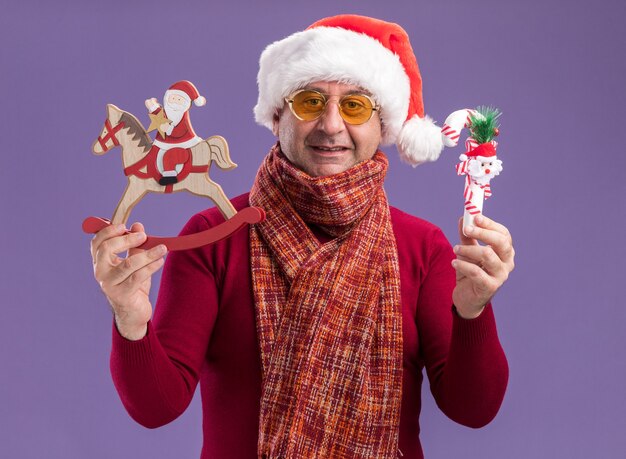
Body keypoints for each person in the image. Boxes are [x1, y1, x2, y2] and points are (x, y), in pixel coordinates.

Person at [90, 15, 514, 459]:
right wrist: (131, 320)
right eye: (310, 102)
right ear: (277, 117)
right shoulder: (213, 235)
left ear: (383, 126)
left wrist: (473, 313)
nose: (331, 125)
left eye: (355, 106)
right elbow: (156, 407)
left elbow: (473, 409)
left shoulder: (422, 247)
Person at [145, 80, 207, 185]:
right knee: (151, 153)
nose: (174, 102)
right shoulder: (167, 112)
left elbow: (180, 131)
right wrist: (152, 106)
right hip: (162, 141)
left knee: (170, 156)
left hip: (182, 142)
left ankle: (170, 176)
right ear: (167, 98)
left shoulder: (182, 117)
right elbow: (159, 116)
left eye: (179, 100)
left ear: (186, 103)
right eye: (172, 98)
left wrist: (168, 129)